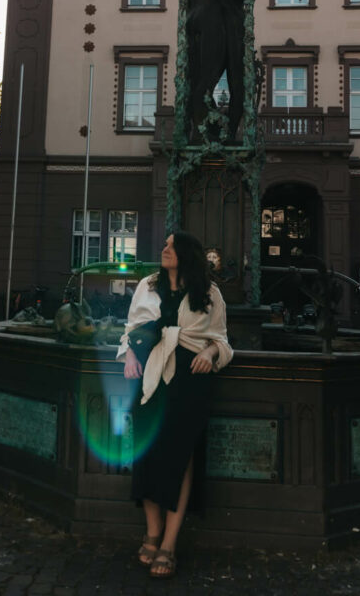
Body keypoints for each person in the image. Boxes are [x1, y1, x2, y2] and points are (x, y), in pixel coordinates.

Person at [116, 231, 233, 578]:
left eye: (170, 245)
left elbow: (221, 340)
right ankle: (151, 531)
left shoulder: (210, 294)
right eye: (164, 243)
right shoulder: (148, 285)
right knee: (147, 453)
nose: (163, 249)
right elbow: (132, 329)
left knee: (181, 459)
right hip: (150, 378)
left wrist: (210, 353)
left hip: (189, 382)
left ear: (186, 254)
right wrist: (128, 357)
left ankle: (168, 543)